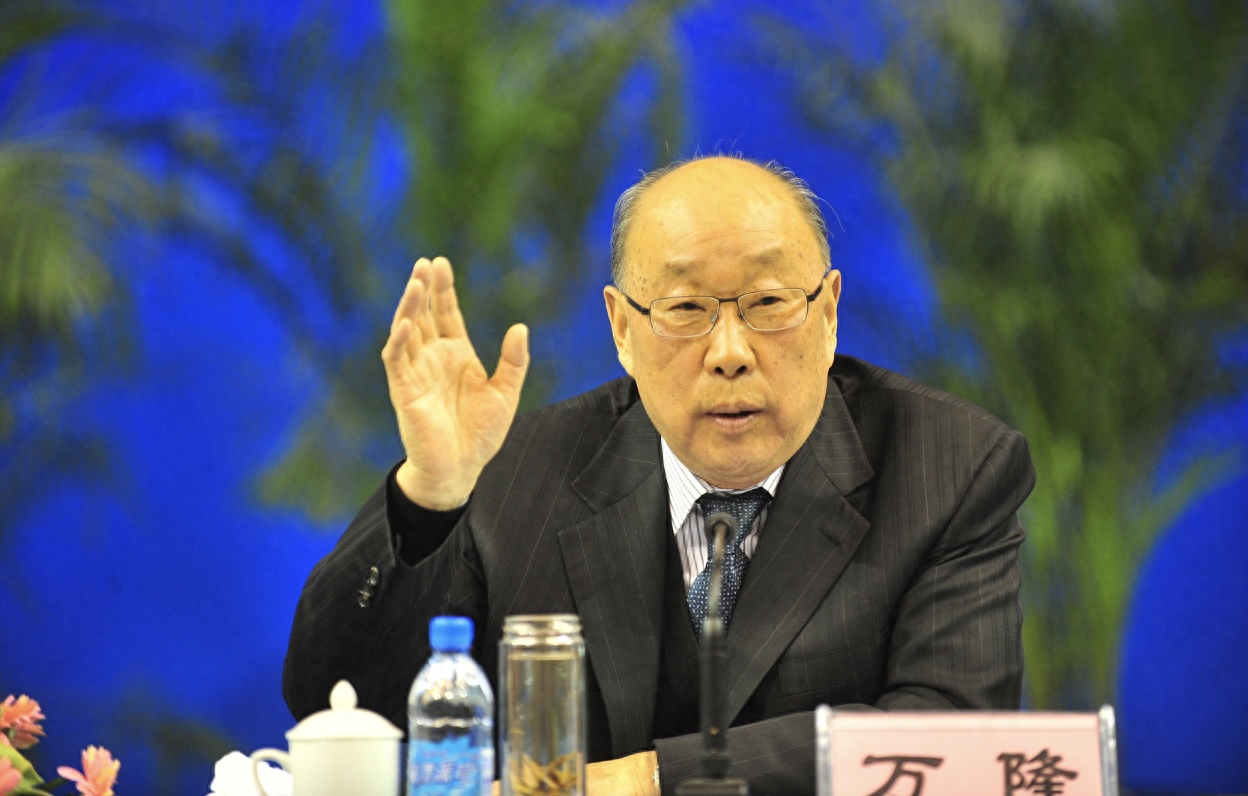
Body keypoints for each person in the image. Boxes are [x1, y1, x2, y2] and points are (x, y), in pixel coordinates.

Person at [283, 155, 1034, 795]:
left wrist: (643, 781)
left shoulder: (948, 466)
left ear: (829, 313)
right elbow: (336, 701)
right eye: (686, 309)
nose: (730, 352)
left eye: (769, 304)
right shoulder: (517, 472)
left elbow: (951, 740)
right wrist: (432, 492)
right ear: (622, 329)